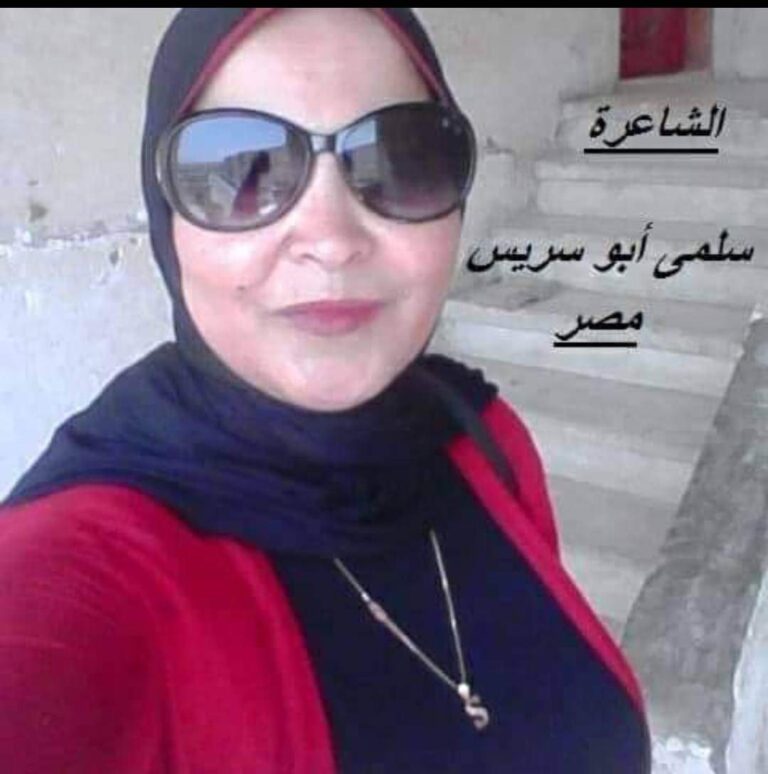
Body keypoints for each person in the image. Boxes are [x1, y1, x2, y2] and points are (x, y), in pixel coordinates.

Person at [0, 8, 652, 772]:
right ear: (166, 219)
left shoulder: (483, 441)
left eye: (399, 158)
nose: (332, 240)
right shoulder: (81, 566)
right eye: (242, 169)